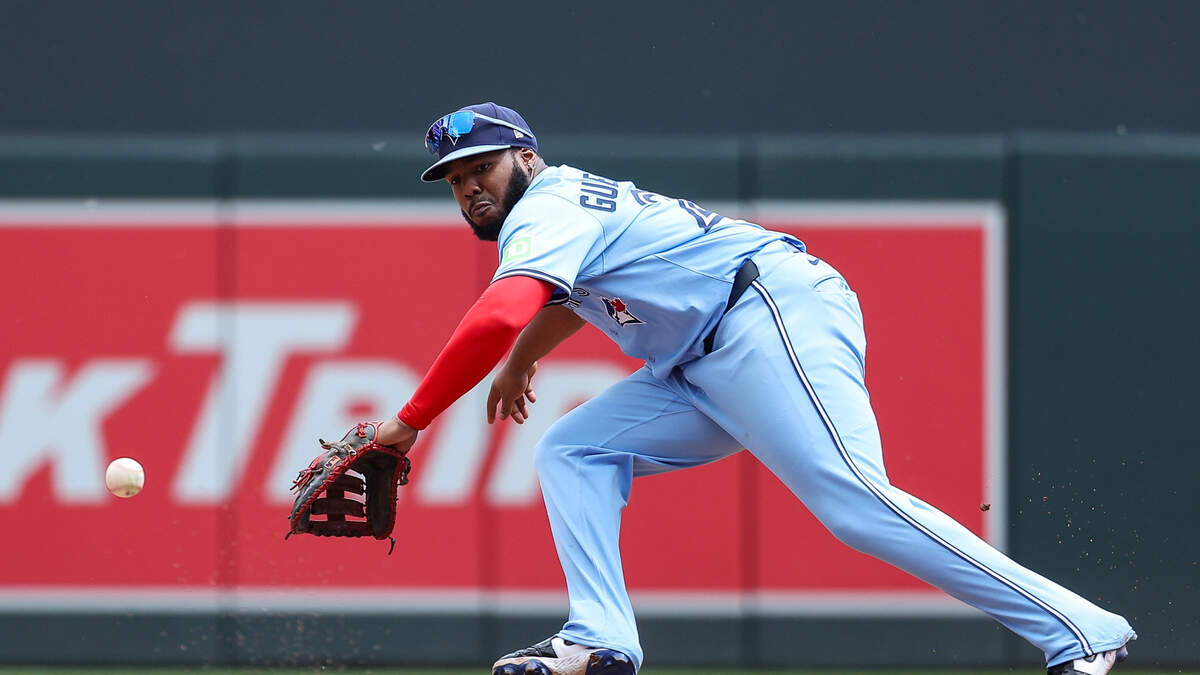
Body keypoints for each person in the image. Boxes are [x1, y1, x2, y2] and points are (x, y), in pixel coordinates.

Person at [370, 102, 1136, 675]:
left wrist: (411, 419)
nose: (470, 187)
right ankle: (600, 637)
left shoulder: (544, 207)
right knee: (572, 449)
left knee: (856, 502)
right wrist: (521, 362)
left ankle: (1081, 632)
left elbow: (501, 310)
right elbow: (567, 298)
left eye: (482, 167)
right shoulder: (563, 204)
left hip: (765, 314)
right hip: (698, 360)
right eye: (457, 179)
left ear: (526, 157)